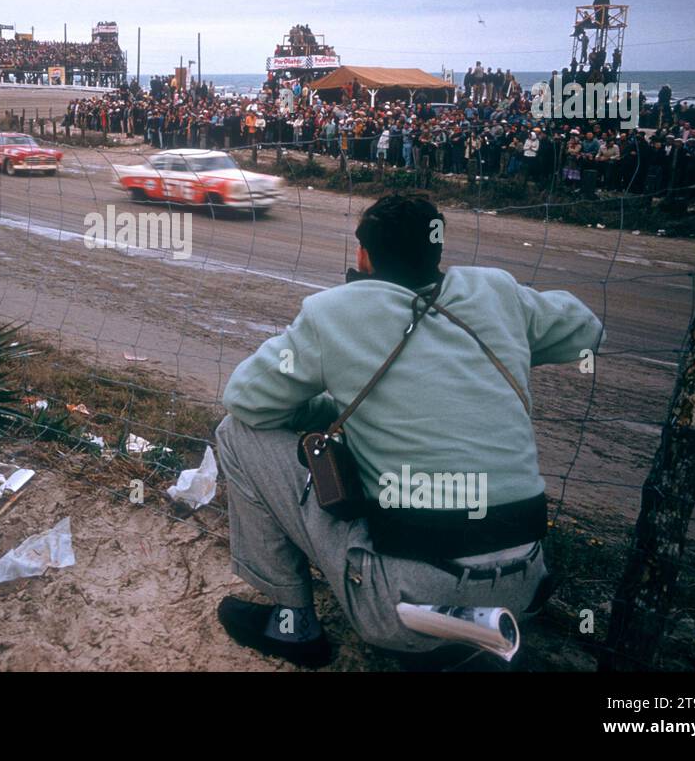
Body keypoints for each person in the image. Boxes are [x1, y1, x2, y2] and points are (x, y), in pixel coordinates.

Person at [214, 194, 602, 667]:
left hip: (406, 602)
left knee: (235, 433)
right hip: (524, 583)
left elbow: (245, 400)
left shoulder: (334, 312)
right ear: (438, 249)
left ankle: (292, 622)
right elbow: (587, 331)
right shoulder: (497, 292)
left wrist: (327, 408)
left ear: (362, 255)